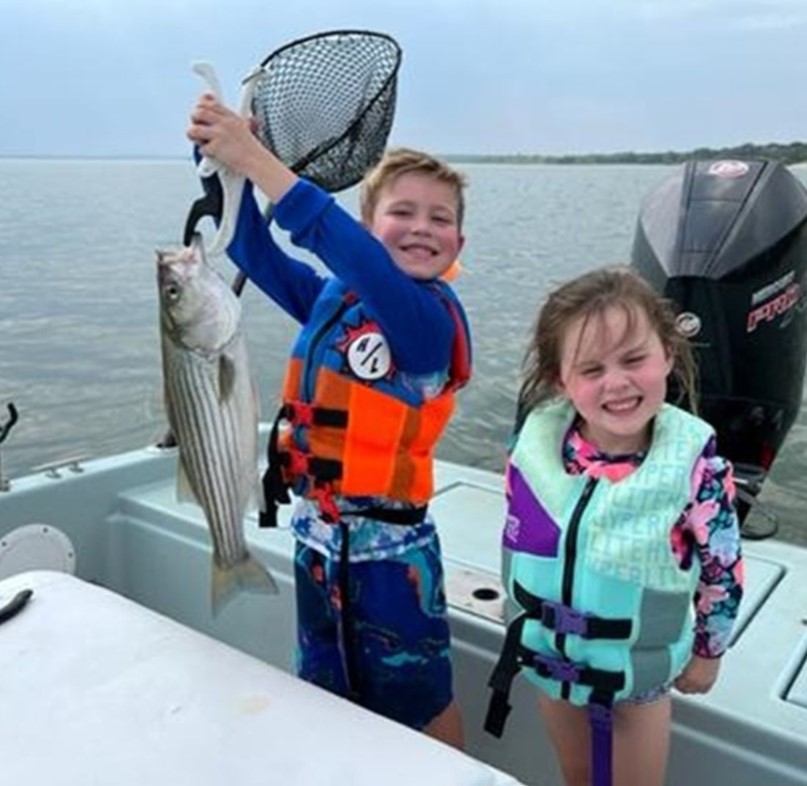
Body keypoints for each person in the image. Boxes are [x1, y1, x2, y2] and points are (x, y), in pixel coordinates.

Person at [187, 94, 470, 749]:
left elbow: (345, 249)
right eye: (402, 212)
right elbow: (250, 250)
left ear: (459, 240)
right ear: (370, 224)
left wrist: (259, 160)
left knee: (421, 706)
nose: (423, 227)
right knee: (327, 696)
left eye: (441, 218)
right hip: (315, 548)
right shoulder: (331, 300)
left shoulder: (427, 323)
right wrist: (214, 159)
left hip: (393, 566)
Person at [484, 267, 743, 786]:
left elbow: (723, 571)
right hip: (551, 662)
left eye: (634, 359)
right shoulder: (535, 452)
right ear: (562, 379)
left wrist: (707, 654)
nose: (617, 383)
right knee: (577, 775)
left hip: (638, 681)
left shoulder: (695, 470)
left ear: (668, 354)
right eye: (592, 369)